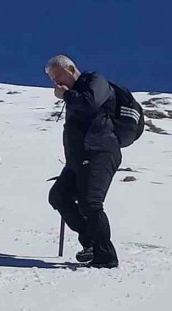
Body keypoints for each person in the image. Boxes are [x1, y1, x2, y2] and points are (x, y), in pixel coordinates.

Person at [45, 55, 122, 268]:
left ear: (71, 68)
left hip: (100, 152)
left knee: (91, 203)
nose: (56, 82)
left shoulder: (95, 81)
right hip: (79, 158)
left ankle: (105, 257)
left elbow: (90, 103)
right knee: (58, 196)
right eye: (52, 79)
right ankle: (90, 243)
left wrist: (67, 95)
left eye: (58, 75)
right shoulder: (75, 94)